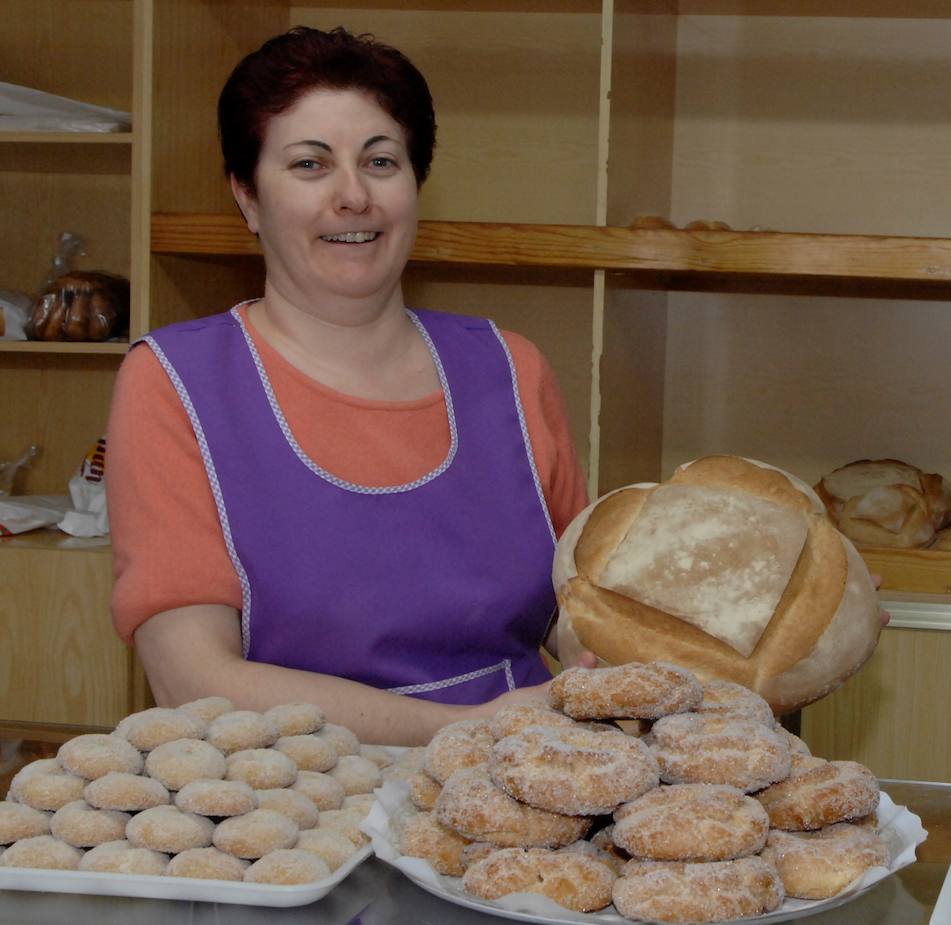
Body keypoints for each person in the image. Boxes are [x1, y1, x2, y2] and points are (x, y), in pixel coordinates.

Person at [105, 26, 591, 746]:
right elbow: (192, 681)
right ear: (247, 196)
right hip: (294, 818)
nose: (353, 196)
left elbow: (581, 613)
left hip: (521, 805)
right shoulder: (177, 384)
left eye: (381, 161)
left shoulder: (510, 368)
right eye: (309, 164)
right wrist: (461, 730)